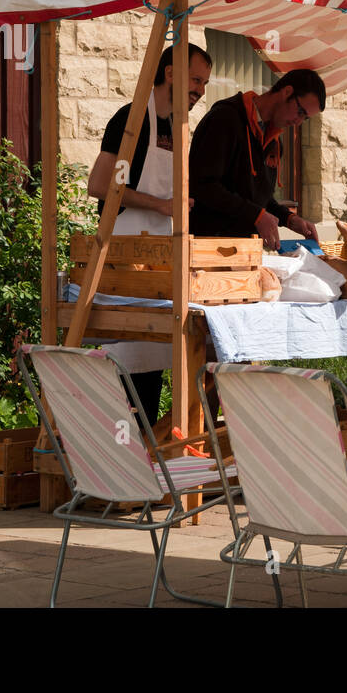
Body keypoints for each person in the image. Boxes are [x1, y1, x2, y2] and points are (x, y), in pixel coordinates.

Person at [87, 41, 213, 422]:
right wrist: (160, 205)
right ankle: (118, 450)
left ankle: (146, 449)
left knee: (155, 353)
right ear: (170, 73)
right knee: (124, 357)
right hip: (124, 251)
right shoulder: (132, 121)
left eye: (204, 84)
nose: (199, 90)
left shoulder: (179, 127)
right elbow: (101, 184)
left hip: (160, 254)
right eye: (195, 80)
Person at [188, 69, 324, 248]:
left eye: (304, 119)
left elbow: (260, 199)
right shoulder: (225, 118)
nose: (298, 122)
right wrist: (256, 215)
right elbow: (203, 186)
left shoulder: (274, 142)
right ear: (287, 92)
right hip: (208, 248)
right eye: (300, 112)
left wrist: (289, 219)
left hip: (246, 251)